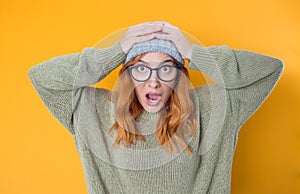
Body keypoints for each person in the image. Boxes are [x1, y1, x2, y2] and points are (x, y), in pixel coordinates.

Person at [28, 21, 284, 194]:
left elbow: (270, 68)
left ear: (179, 75)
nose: (153, 80)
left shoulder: (208, 108)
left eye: (166, 68)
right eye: (141, 68)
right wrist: (116, 52)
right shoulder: (97, 112)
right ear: (127, 75)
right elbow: (41, 76)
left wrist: (193, 52)